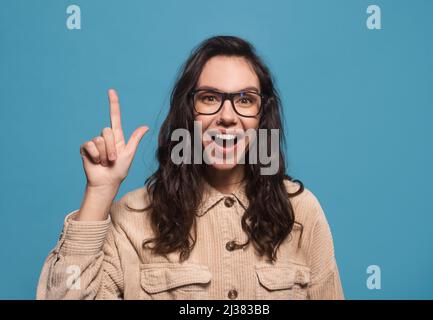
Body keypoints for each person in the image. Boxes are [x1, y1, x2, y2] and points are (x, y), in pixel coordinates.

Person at [36, 35, 344, 300]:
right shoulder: (131, 219)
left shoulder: (301, 211)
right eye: (210, 98)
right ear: (188, 113)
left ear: (262, 117)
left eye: (245, 99)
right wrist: (99, 193)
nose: (227, 116)